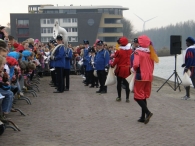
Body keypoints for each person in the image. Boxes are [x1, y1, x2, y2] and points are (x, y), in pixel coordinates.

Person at [131, 35, 159, 124]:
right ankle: (143, 117)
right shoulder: (151, 52)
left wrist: (132, 69)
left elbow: (135, 64)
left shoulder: (137, 52)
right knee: (143, 96)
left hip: (140, 75)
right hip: (149, 76)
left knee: (137, 96)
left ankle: (148, 112)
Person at [111, 37, 133, 103]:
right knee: (127, 84)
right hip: (128, 69)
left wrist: (112, 65)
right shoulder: (130, 50)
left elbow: (116, 60)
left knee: (119, 83)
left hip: (120, 69)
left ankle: (119, 97)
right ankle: (127, 98)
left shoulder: (119, 51)